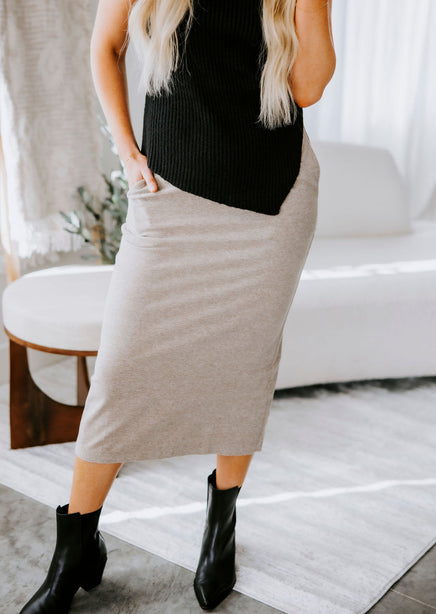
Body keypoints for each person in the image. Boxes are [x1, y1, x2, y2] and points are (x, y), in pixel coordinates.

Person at [19, 0, 335, 612]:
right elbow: (106, 45)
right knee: (121, 373)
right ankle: (76, 546)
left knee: (243, 367)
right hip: (170, 195)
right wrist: (126, 150)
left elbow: (308, 87)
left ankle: (222, 524)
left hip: (271, 205)